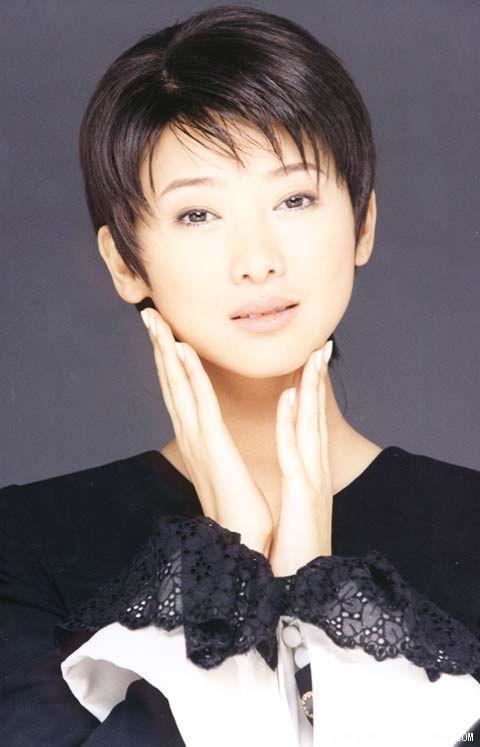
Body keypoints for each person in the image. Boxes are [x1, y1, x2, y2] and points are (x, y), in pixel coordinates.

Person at [1, 4, 479, 745]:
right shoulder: (24, 546)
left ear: (363, 223)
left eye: (294, 199)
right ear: (126, 262)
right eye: (198, 214)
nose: (256, 259)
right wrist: (226, 562)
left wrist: (315, 582)